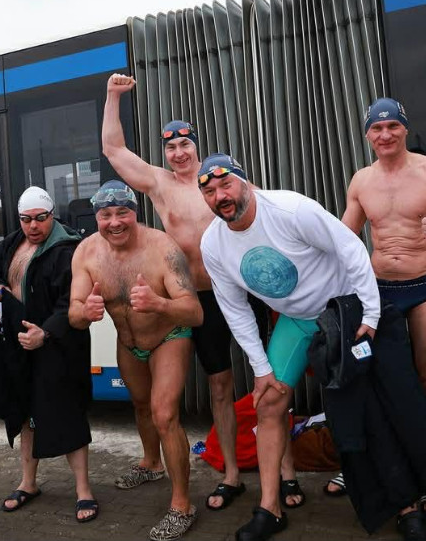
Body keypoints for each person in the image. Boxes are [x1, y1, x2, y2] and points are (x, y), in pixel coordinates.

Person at [102, 73, 278, 510]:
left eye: (185, 145)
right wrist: (112, 97)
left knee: (273, 379)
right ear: (165, 152)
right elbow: (113, 150)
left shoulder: (220, 180)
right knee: (219, 385)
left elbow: (270, 219)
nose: (178, 153)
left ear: (196, 147)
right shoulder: (159, 184)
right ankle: (233, 475)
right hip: (198, 300)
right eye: (171, 147)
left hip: (243, 290)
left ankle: (286, 475)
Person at [197, 154, 382, 541]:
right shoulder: (213, 243)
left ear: (246, 183)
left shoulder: (290, 209)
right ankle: (270, 507)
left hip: (340, 308)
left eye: (226, 185)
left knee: (367, 398)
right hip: (295, 319)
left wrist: (372, 313)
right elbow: (234, 309)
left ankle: (395, 495)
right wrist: (261, 368)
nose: (219, 196)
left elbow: (349, 247)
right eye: (209, 191)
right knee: (268, 401)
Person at [333, 97, 426, 502]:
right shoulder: (361, 180)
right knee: (381, 382)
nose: (385, 135)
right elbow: (345, 237)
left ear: (404, 129)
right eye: (376, 129)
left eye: (392, 126)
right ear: (367, 135)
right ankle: (388, 466)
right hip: (379, 291)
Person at [69, 180, 204, 541]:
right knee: (141, 407)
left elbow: (194, 312)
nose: (115, 222)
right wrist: (88, 312)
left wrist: (159, 303)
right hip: (128, 343)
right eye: (106, 215)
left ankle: (181, 505)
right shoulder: (86, 253)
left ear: (135, 213)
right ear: (97, 217)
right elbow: (74, 313)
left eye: (123, 213)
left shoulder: (162, 248)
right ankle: (151, 464)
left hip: (169, 336)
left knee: (164, 414)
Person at [0, 186, 97, 523]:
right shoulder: (10, 243)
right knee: (24, 411)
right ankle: (28, 483)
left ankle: (84, 490)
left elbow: (71, 302)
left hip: (60, 346)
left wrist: (45, 332)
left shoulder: (70, 249)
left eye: (40, 219)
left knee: (68, 413)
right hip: (18, 343)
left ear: (52, 215)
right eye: (26, 219)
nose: (33, 225)